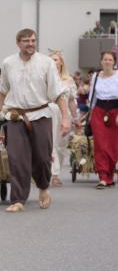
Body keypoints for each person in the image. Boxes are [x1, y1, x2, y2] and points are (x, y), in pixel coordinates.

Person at [0, 28, 70, 213]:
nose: (30, 44)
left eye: (33, 40)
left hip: (41, 114)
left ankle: (43, 187)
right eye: (26, 41)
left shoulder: (47, 63)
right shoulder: (8, 63)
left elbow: (58, 93)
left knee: (43, 158)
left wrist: (65, 118)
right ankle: (18, 199)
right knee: (16, 158)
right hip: (15, 116)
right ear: (18, 43)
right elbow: (2, 89)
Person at [87, 50, 118, 188]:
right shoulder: (95, 76)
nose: (107, 62)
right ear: (101, 61)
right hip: (99, 111)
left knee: (113, 146)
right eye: (105, 59)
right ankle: (103, 176)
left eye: (110, 60)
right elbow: (92, 96)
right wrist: (90, 115)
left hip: (115, 111)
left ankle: (110, 174)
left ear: (114, 62)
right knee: (100, 145)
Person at [49, 50, 77, 186]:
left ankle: (56, 171)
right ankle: (53, 173)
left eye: (56, 59)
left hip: (65, 114)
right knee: (51, 143)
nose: (54, 62)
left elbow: (71, 101)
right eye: (51, 60)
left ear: (61, 63)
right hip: (50, 112)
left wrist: (76, 118)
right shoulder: (45, 77)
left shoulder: (68, 80)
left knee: (61, 144)